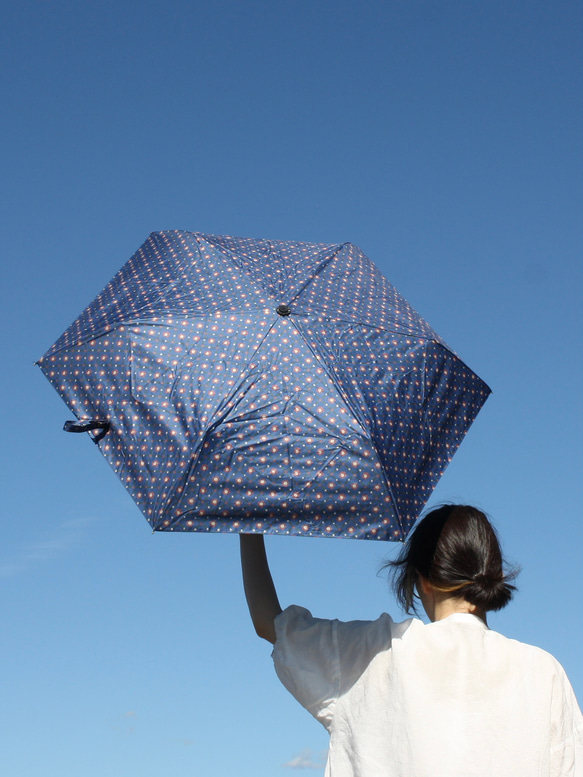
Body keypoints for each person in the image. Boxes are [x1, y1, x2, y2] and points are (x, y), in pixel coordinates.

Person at [240, 504, 583, 777]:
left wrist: (248, 520)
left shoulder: (378, 651)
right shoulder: (543, 673)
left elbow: (268, 623)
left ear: (422, 581)